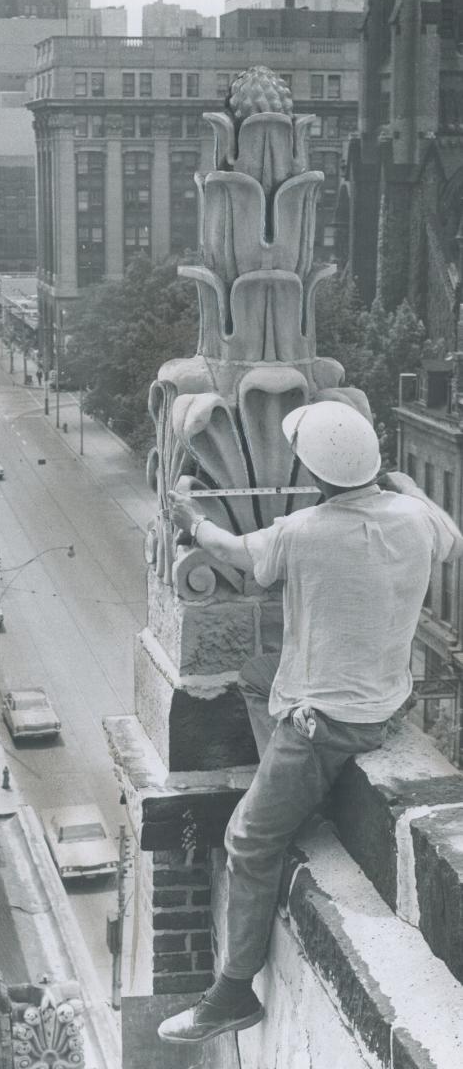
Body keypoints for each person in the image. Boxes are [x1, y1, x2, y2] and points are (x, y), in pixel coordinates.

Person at [158, 400, 463, 1047]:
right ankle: (297, 789)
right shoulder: (416, 518)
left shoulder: (303, 530)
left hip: (327, 723)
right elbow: (446, 534)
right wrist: (404, 487)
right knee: (257, 674)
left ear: (316, 474)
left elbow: (233, 551)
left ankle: (232, 993)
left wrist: (191, 518)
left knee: (247, 838)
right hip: (385, 700)